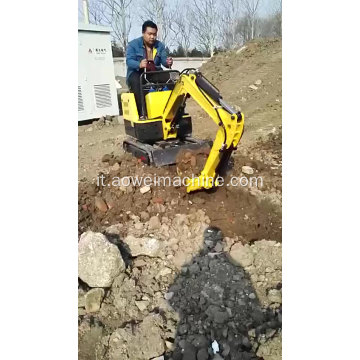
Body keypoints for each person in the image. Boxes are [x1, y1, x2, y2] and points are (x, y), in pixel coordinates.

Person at [126, 20, 173, 118]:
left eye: (154, 34)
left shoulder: (160, 45)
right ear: (143, 33)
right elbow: (129, 61)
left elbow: (164, 60)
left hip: (154, 72)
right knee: (136, 81)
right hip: (138, 72)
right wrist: (139, 64)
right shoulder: (133, 45)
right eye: (149, 34)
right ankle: (143, 113)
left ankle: (173, 109)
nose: (152, 37)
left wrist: (167, 62)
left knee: (171, 80)